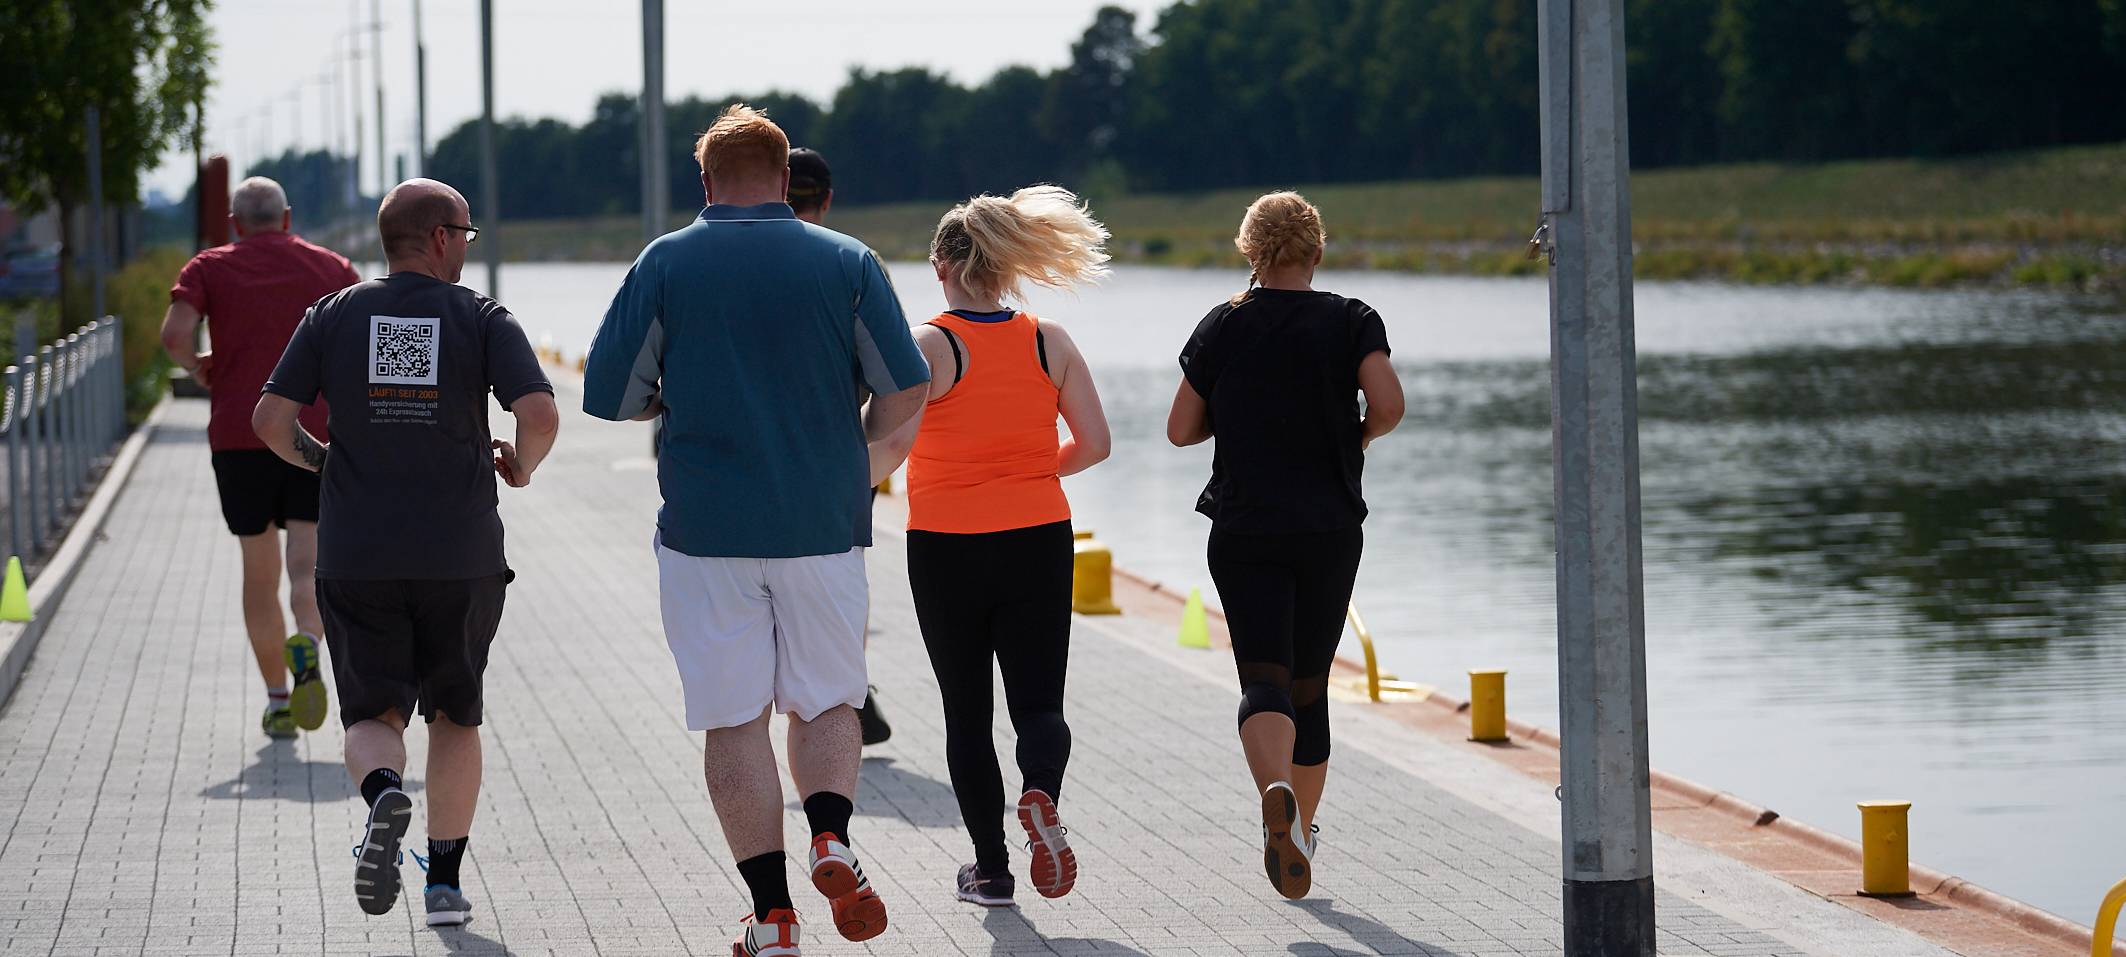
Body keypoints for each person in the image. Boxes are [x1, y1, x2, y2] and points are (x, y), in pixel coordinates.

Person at [582, 105, 928, 957]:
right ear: (785, 178)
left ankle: (772, 914)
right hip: (823, 521)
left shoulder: (665, 261)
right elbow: (907, 387)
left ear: (705, 182)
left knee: (734, 722)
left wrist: (678, 391)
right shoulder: (848, 260)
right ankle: (834, 836)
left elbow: (610, 395)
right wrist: (861, 454)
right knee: (829, 698)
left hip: (706, 530)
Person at [252, 179, 560, 927]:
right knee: (455, 716)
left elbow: (268, 419)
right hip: (460, 553)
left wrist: (327, 461)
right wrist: (521, 461)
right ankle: (444, 888)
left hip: (358, 551)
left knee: (372, 711)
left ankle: (384, 792)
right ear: (442, 237)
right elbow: (541, 413)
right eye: (466, 234)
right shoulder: (481, 317)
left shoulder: (333, 313)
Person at [867, 186, 1110, 908]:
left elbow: (891, 443)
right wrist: (1032, 472)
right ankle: (1040, 790)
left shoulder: (928, 343)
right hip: (1039, 534)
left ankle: (992, 870)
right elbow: (1095, 444)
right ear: (1006, 265)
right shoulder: (1049, 340)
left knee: (966, 711)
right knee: (1039, 703)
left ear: (941, 263)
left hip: (946, 543)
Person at [1163, 191, 1404, 901]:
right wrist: (1355, 436)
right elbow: (1388, 404)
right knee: (1311, 686)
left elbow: (1180, 429)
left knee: (1263, 679)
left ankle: (1274, 788)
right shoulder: (1352, 319)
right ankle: (1300, 830)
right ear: (1317, 250)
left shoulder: (1223, 324)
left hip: (1244, 528)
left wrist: (1233, 423)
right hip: (1329, 527)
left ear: (1249, 250)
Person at [160, 176, 360, 741]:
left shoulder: (209, 266)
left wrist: (202, 366)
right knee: (307, 563)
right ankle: (311, 642)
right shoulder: (333, 267)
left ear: (235, 223)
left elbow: (175, 334)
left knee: (258, 570)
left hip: (239, 436)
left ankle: (277, 702)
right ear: (288, 219)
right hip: (311, 435)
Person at [788, 144, 893, 749]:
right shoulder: (852, 263)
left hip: (738, 466)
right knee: (841, 581)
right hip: (834, 455)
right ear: (827, 200)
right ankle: (848, 689)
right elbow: (897, 374)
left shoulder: (729, 256)